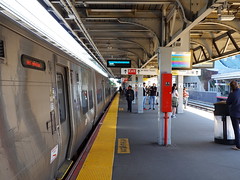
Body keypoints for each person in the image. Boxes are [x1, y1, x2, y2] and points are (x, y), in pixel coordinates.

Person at [226, 80, 240, 150]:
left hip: (235, 114)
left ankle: (238, 146)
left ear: (231, 87)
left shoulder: (232, 94)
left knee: (237, 130)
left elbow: (228, 102)